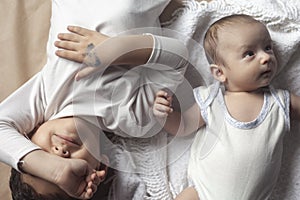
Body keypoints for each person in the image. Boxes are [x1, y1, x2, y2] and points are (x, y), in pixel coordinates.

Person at [0, 0, 189, 199]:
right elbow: (178, 57)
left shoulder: (48, 97)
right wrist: (118, 49)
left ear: (28, 134)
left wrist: (55, 171)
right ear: (100, 164)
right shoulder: (133, 119)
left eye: (45, 159)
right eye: (72, 169)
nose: (61, 153)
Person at [153, 14, 300, 200]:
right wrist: (165, 115)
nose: (266, 57)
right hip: (202, 193)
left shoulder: (280, 102)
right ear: (220, 73)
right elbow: (182, 126)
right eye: (249, 54)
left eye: (268, 48)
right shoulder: (212, 99)